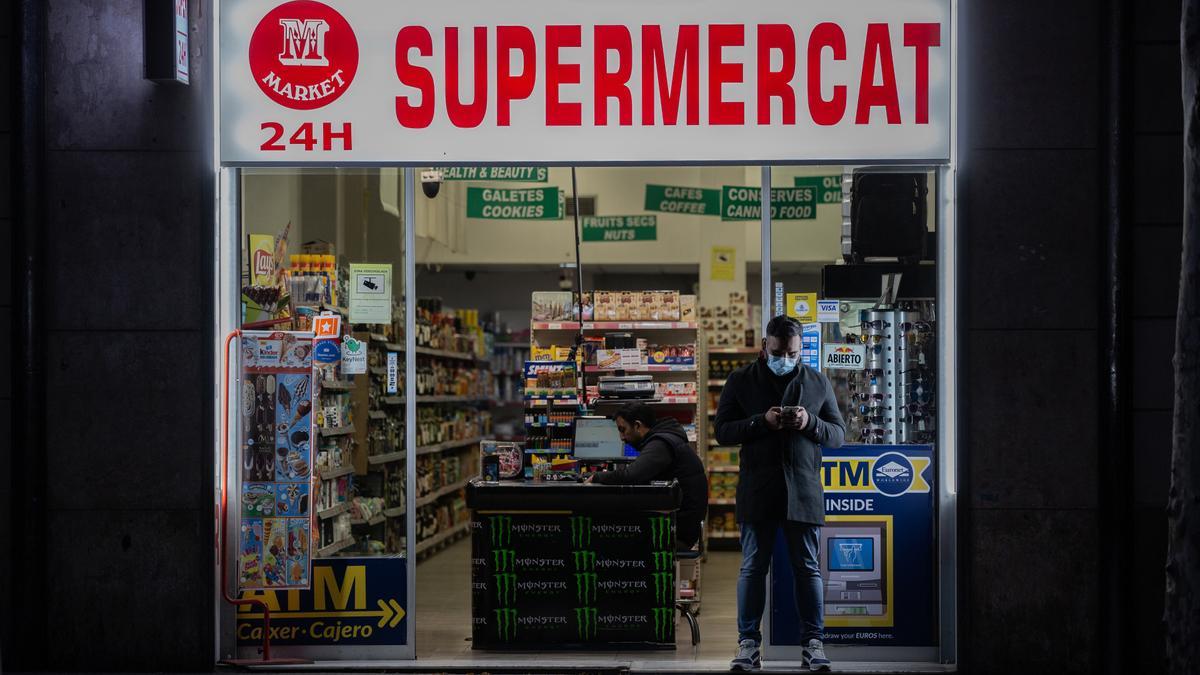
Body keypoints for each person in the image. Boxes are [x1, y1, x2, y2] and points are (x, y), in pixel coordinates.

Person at [715, 315, 845, 672]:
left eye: (791, 352)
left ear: (800, 348)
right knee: (753, 567)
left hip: (803, 490)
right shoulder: (741, 380)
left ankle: (814, 644)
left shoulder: (817, 382)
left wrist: (810, 423)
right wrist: (762, 422)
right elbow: (722, 431)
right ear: (764, 347)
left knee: (807, 569)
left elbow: (838, 435)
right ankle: (747, 645)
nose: (785, 358)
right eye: (777, 352)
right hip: (758, 489)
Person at [588, 402, 708, 550]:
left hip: (677, 532)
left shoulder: (661, 443)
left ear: (638, 426)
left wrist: (597, 477)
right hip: (680, 526)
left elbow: (631, 475)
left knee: (603, 539)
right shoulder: (666, 437)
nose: (621, 437)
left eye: (623, 429)